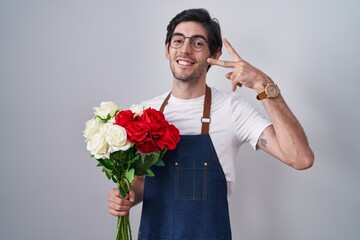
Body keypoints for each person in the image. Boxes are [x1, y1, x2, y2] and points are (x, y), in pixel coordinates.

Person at [108, 8, 314, 240]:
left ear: (214, 55)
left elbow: (300, 158)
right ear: (167, 50)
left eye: (197, 43)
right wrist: (127, 197)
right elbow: (143, 181)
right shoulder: (145, 112)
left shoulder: (232, 110)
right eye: (178, 41)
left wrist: (263, 84)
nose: (185, 49)